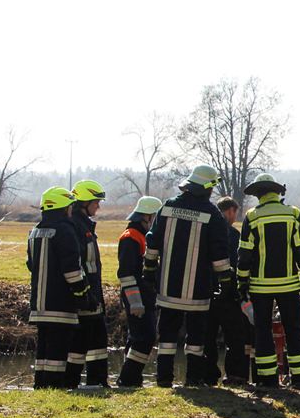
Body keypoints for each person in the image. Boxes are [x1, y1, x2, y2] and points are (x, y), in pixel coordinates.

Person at [144, 164, 234, 388]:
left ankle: (163, 378)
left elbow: (152, 243)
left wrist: (149, 272)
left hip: (168, 287)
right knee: (196, 338)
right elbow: (220, 254)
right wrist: (226, 283)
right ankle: (193, 380)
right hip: (198, 289)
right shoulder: (212, 214)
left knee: (166, 335)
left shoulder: (168, 207)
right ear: (207, 188)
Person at [237, 173, 300, 388]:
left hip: (260, 287)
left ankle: (268, 380)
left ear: (258, 195)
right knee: (294, 330)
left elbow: (245, 255)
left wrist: (242, 283)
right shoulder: (293, 214)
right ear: (277, 192)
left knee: (263, 331)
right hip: (290, 285)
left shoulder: (252, 217)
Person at [27, 187, 89, 389]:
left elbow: (31, 264)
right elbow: (72, 269)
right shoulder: (65, 230)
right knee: (57, 350)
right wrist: (83, 294)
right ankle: (54, 387)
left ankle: (41, 386)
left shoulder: (35, 231)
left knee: (43, 351)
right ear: (65, 208)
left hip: (39, 303)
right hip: (60, 304)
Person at [201, 195, 252, 386]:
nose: (235, 217)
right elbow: (237, 262)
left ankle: (208, 375)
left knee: (208, 336)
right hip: (228, 292)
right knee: (235, 335)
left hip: (206, 290)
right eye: (235, 213)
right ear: (230, 211)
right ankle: (235, 375)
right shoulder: (232, 234)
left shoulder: (207, 229)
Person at [115, 195, 164, 387]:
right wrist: (135, 301)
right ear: (147, 217)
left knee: (137, 337)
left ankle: (131, 379)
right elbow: (126, 273)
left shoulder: (142, 236)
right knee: (145, 337)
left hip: (145, 296)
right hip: (137, 297)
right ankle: (128, 378)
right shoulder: (131, 238)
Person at [65, 179, 109, 388]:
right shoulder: (76, 227)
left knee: (98, 338)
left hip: (93, 292)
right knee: (81, 341)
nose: (98, 206)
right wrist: (85, 295)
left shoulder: (85, 225)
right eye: (96, 202)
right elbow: (78, 264)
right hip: (85, 294)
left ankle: (98, 381)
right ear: (84, 203)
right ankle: (71, 382)